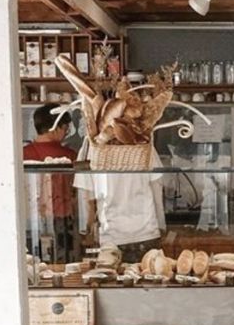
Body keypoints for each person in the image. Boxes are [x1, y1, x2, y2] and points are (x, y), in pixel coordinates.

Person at [74, 143, 166, 264]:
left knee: (111, 281)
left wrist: (87, 231)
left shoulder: (91, 147)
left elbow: (87, 197)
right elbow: (157, 187)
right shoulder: (144, 145)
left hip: (111, 236)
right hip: (146, 231)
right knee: (148, 279)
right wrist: (161, 226)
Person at [22, 104, 77, 262]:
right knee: (63, 266)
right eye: (65, 126)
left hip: (29, 220)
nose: (66, 131)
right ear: (55, 127)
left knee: (31, 265)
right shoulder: (70, 156)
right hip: (63, 221)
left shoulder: (22, 154)